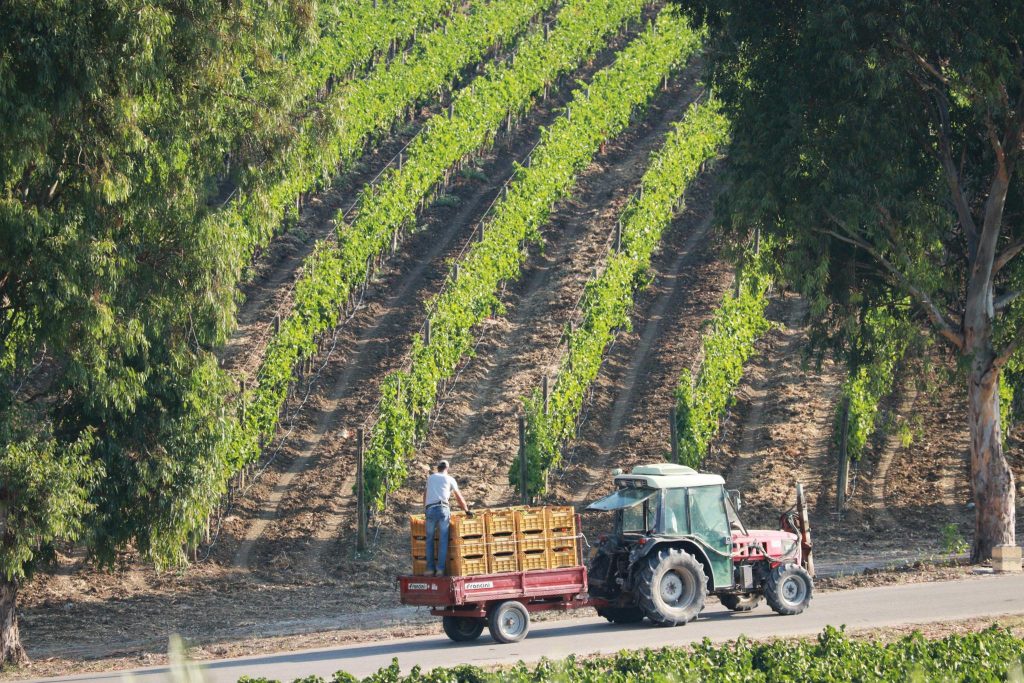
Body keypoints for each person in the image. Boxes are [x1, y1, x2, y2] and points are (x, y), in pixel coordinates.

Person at [423, 460, 471, 576]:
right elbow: (458, 496)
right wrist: (466, 510)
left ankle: (429, 569)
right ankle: (440, 569)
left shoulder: (430, 478)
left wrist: (425, 509)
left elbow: (425, 495)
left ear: (437, 468)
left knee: (429, 539)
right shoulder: (450, 479)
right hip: (443, 508)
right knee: (443, 540)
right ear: (447, 468)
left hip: (430, 509)